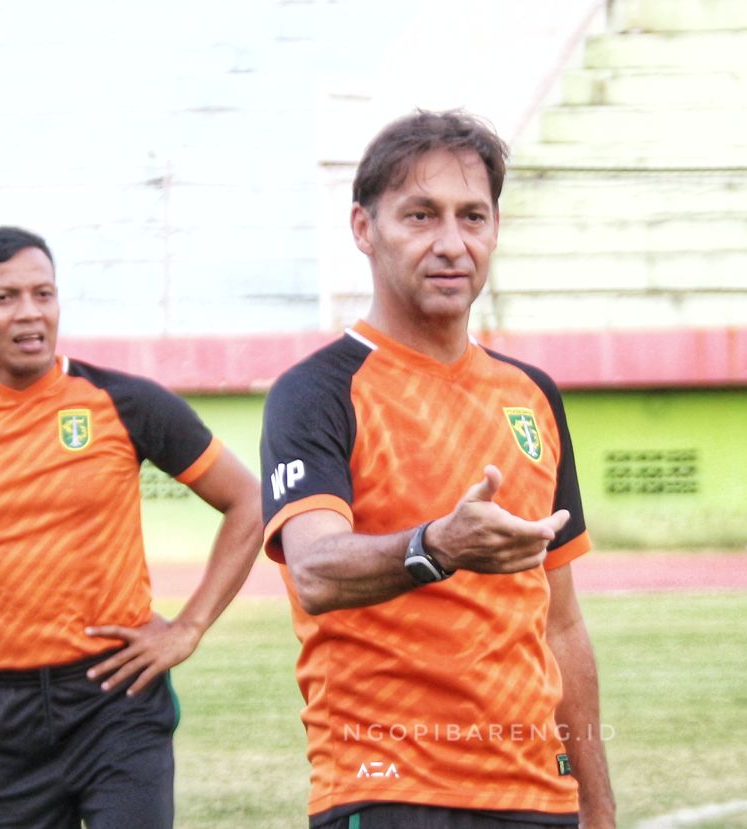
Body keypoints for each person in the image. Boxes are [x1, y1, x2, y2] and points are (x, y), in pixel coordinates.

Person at [260, 110, 616, 828]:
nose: (451, 244)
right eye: (420, 215)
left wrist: (597, 808)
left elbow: (563, 625)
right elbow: (316, 570)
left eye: (472, 217)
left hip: (533, 795)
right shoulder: (318, 390)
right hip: (389, 787)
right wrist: (437, 545)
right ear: (365, 228)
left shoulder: (532, 396)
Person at [0, 226, 264, 829]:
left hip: (116, 699)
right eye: (4, 298)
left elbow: (248, 502)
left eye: (44, 294)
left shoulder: (126, 402)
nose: (30, 314)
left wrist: (188, 627)